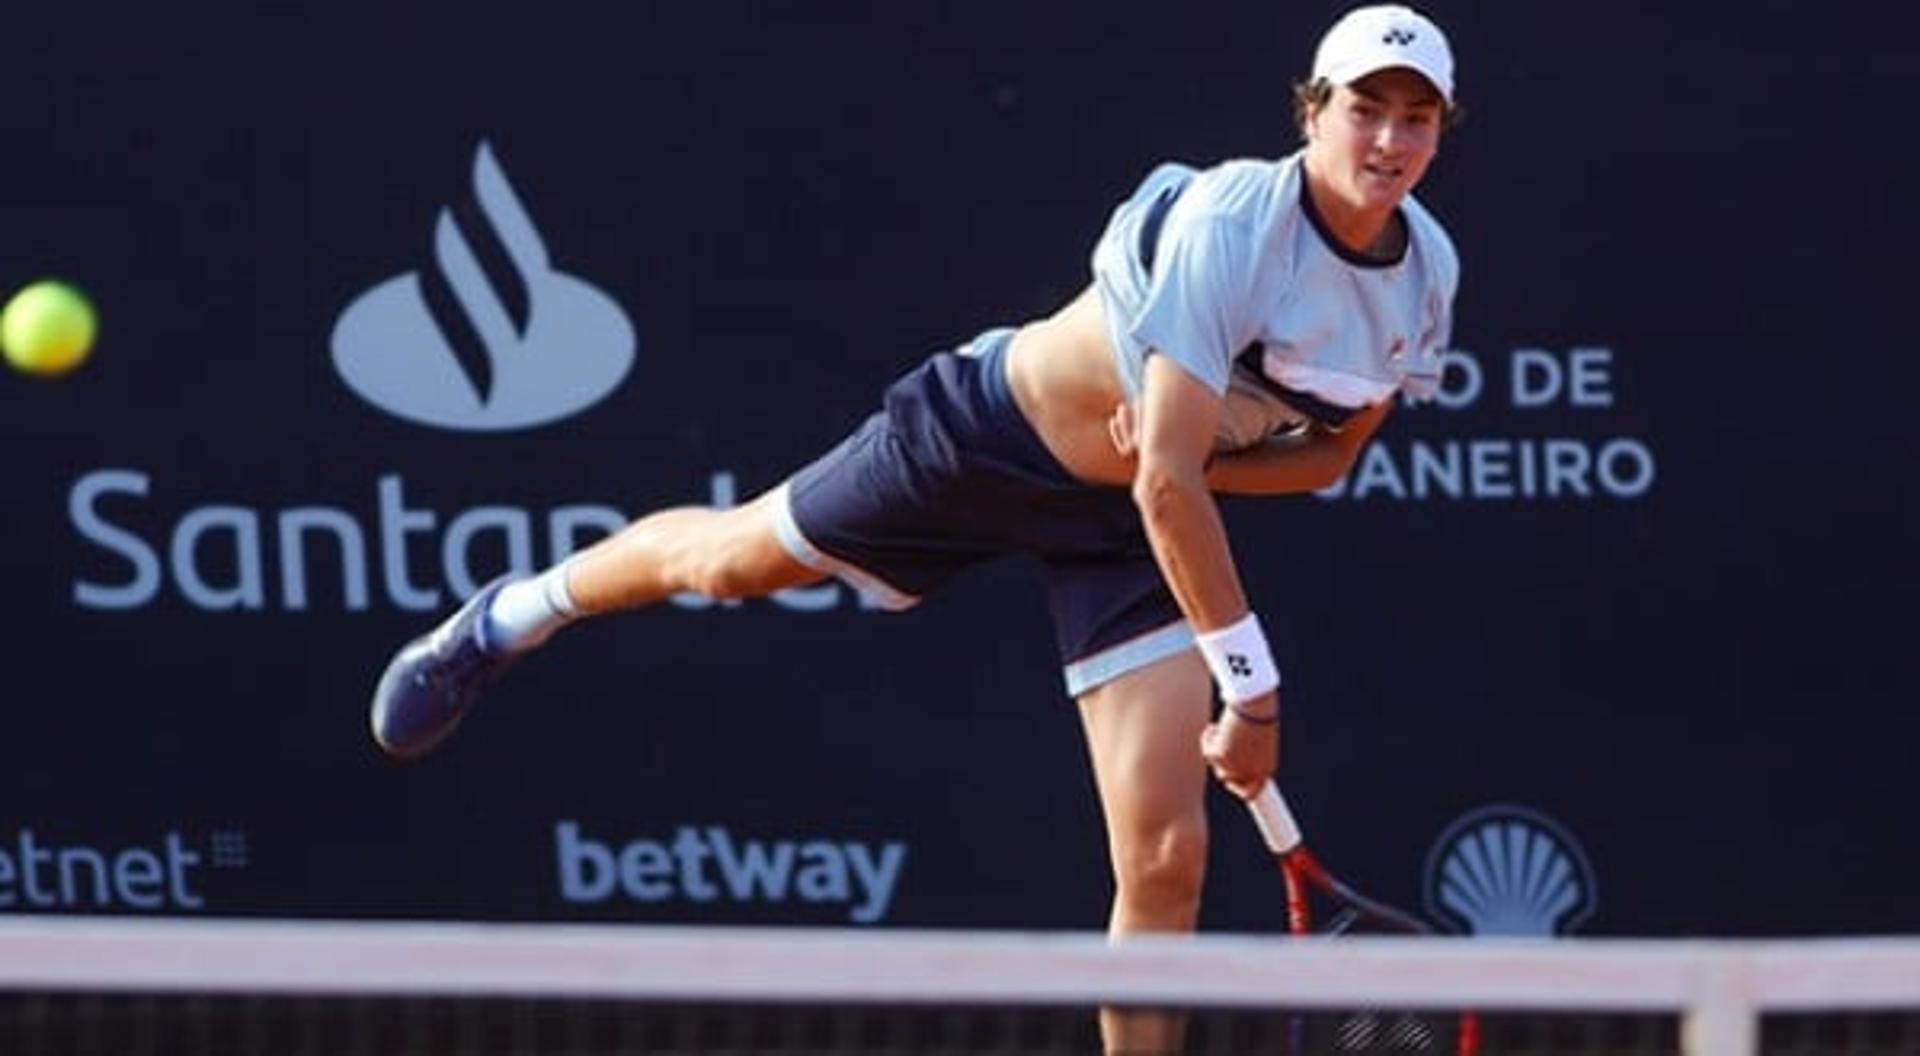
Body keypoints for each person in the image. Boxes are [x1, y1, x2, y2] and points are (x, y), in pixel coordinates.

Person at [370, 5, 1458, 1052]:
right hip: (985, 434)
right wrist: (1253, 690)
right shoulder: (1237, 224)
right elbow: (1166, 483)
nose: (1389, 139)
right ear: (1311, 111)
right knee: (728, 561)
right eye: (1367, 108)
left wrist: (1201, 461)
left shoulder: (1427, 278)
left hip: (1125, 531)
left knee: (1167, 859)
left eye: (1417, 118)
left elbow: (1325, 455)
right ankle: (508, 617)